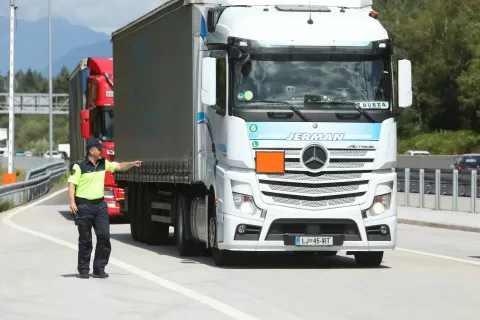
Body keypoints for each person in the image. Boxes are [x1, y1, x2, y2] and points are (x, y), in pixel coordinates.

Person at [68, 138, 142, 279]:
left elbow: (119, 166)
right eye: (99, 149)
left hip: (100, 206)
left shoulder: (103, 163)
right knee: (85, 239)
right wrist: (72, 203)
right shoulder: (79, 166)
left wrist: (132, 164)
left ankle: (99, 268)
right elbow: (71, 185)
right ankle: (84, 269)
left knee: (104, 236)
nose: (102, 151)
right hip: (83, 206)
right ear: (91, 150)